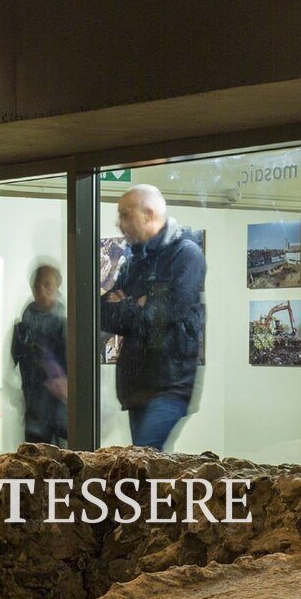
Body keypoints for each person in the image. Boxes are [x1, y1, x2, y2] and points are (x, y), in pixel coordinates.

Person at [99, 184, 205, 451]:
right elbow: (105, 313)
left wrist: (128, 303)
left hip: (169, 386)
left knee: (144, 465)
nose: (118, 222)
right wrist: (140, 303)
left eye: (125, 214)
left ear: (148, 214)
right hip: (137, 389)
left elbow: (162, 315)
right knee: (146, 468)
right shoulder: (135, 262)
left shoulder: (185, 254)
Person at [9, 262, 67, 446]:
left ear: (57, 287)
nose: (41, 290)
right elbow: (12, 369)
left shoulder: (67, 325)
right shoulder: (22, 328)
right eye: (37, 285)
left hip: (64, 413)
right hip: (35, 416)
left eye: (47, 284)